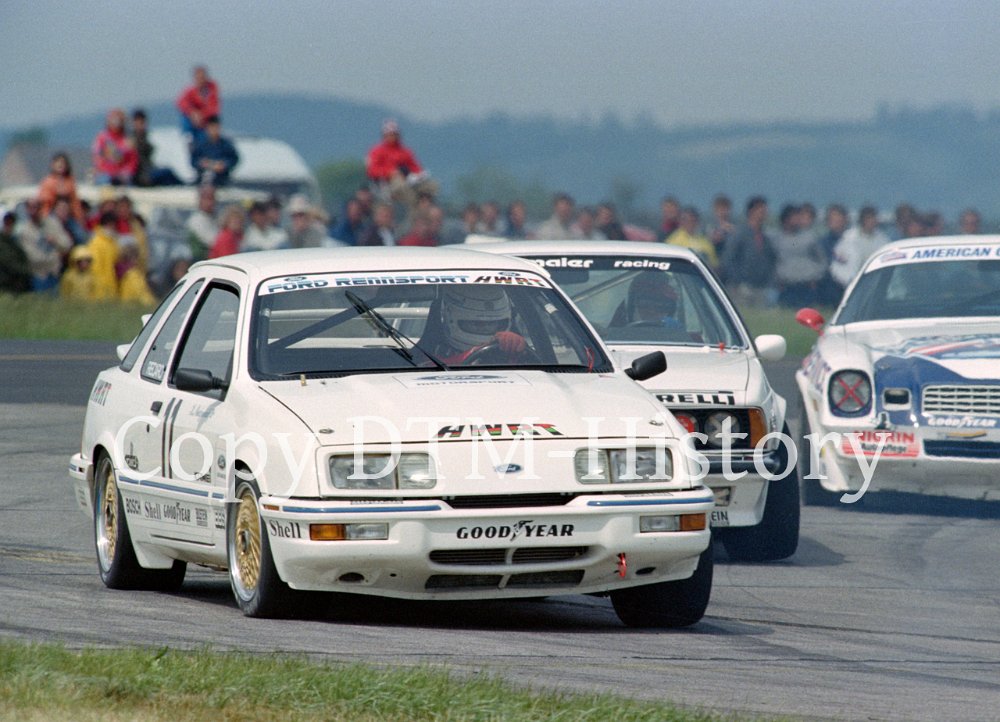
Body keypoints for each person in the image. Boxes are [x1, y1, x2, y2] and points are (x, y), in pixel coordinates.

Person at [427, 285, 528, 365]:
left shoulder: (507, 350)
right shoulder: (433, 352)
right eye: (477, 324)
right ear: (450, 319)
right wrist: (472, 353)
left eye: (494, 324)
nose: (487, 329)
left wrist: (516, 347)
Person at [720, 196, 777, 306]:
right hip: (742, 287)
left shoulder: (765, 237)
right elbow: (728, 258)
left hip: (761, 287)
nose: (764, 213)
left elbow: (771, 260)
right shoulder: (739, 234)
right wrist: (737, 280)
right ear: (751, 211)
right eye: (761, 210)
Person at [772, 204, 826, 308]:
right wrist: (777, 279)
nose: (797, 220)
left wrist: (816, 276)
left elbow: (822, 259)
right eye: (794, 217)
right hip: (786, 285)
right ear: (786, 218)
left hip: (806, 285)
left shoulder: (809, 237)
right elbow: (773, 260)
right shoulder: (776, 238)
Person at [18, 197, 72, 293]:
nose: (33, 211)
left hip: (55, 273)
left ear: (40, 208)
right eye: (30, 208)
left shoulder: (53, 223)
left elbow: (67, 244)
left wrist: (55, 241)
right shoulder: (24, 231)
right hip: (38, 275)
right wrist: (55, 255)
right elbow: (32, 257)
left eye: (36, 207)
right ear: (27, 210)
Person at [830, 206, 890, 289]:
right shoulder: (848, 237)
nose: (871, 221)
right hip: (850, 284)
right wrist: (847, 281)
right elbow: (838, 264)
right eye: (868, 218)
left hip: (875, 284)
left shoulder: (883, 239)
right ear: (862, 220)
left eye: (873, 218)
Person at [130, 108, 180, 187]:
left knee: (167, 177)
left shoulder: (146, 136)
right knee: (167, 172)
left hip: (149, 171)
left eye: (142, 122)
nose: (141, 125)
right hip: (141, 176)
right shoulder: (131, 138)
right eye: (139, 122)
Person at [613, 271, 680, 328]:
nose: (652, 311)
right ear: (632, 307)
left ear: (671, 310)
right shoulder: (613, 333)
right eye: (645, 304)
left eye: (661, 306)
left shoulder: (680, 334)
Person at [92, 108, 137, 185]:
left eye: (119, 121)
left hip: (123, 176)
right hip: (106, 175)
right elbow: (97, 157)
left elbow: (133, 159)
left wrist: (126, 172)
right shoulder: (102, 138)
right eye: (114, 120)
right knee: (105, 182)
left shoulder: (128, 139)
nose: (116, 123)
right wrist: (105, 170)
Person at [190, 116, 239, 186]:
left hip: (222, 179)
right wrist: (201, 163)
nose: (213, 130)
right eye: (211, 128)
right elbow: (193, 160)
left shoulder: (226, 144)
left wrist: (224, 164)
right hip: (202, 179)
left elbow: (234, 159)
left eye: (216, 127)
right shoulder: (200, 144)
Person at [176, 65, 221, 144]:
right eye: (198, 78)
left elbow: (214, 108)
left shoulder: (212, 89)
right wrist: (192, 112)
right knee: (184, 117)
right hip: (194, 120)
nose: (200, 80)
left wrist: (201, 115)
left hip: (207, 121)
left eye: (202, 77)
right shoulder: (191, 91)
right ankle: (187, 137)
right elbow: (180, 102)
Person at [37, 152, 86, 224]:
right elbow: (44, 201)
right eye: (58, 162)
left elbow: (74, 202)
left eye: (63, 163)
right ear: (53, 165)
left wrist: (79, 217)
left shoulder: (70, 182)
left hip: (68, 216)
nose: (60, 165)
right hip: (51, 215)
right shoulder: (48, 181)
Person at [85, 210, 120, 301]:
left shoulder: (111, 241)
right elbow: (95, 268)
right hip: (100, 288)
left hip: (110, 284)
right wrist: (101, 288)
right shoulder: (96, 242)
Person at [117, 237, 157, 305]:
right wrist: (153, 304)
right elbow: (141, 294)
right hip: (135, 305)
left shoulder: (122, 273)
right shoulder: (133, 275)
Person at [0, 212, 32, 294]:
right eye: (7, 223)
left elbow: (23, 256)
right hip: (6, 284)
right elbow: (9, 262)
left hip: (16, 282)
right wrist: (28, 271)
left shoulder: (13, 241)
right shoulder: (3, 242)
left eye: (11, 224)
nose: (9, 226)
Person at [186, 185, 218, 261]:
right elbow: (213, 242)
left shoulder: (213, 217)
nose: (210, 203)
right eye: (207, 199)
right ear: (200, 200)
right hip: (202, 261)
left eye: (212, 198)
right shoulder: (196, 220)